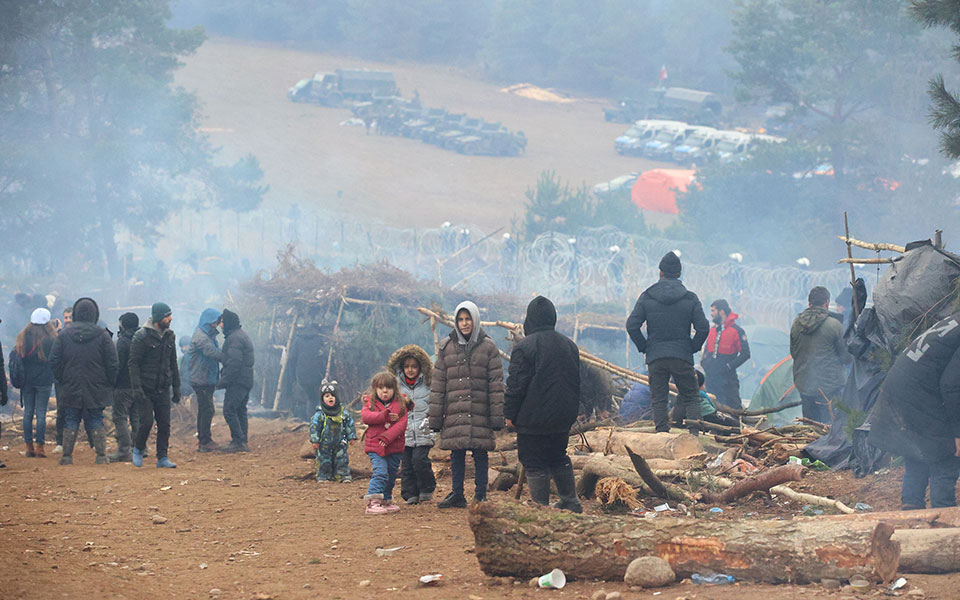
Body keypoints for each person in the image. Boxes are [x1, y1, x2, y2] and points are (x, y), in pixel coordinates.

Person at [869, 313, 960, 509]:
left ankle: (911, 511)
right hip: (919, 393)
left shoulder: (955, 322)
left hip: (904, 387)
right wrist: (957, 433)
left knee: (917, 453)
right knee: (946, 456)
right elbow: (953, 386)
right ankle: (943, 520)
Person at [504, 295, 582, 512]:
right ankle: (570, 501)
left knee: (535, 462)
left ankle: (541, 510)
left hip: (533, 420)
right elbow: (576, 382)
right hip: (562, 417)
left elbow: (516, 385)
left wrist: (509, 413)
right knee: (558, 456)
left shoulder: (524, 347)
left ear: (530, 319)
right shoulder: (569, 345)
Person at [428, 301, 505, 508]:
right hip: (455, 411)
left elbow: (496, 384)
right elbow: (438, 385)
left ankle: (480, 495)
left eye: (468, 319)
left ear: (475, 319)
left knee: (480, 453)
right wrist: (435, 418)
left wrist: (497, 416)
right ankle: (457, 494)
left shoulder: (489, 347)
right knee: (457, 453)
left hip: (480, 410)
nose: (464, 323)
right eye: (460, 319)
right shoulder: (446, 347)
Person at [626, 251, 709, 435]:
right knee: (691, 396)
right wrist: (692, 347)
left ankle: (662, 435)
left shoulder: (647, 296)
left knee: (659, 399)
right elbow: (703, 328)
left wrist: (645, 347)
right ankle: (694, 436)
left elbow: (632, 325)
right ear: (679, 273)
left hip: (656, 356)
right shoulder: (690, 298)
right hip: (682, 355)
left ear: (660, 272)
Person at [48, 298, 118, 465]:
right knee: (96, 418)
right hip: (96, 385)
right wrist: (108, 382)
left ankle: (66, 456)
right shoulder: (102, 335)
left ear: (76, 314)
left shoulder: (64, 335)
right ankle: (101, 456)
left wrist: (63, 378)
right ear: (95, 313)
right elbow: (113, 363)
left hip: (71, 384)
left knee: (71, 418)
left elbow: (54, 360)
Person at [129, 302, 181, 468]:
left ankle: (162, 457)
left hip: (163, 387)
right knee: (147, 422)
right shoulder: (141, 337)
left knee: (164, 423)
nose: (170, 318)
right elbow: (133, 364)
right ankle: (138, 448)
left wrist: (177, 387)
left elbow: (173, 363)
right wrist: (136, 387)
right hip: (145, 388)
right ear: (159, 318)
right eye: (167, 315)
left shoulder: (170, 336)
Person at [790, 286, 849, 423]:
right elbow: (845, 358)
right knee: (829, 430)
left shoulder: (796, 324)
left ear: (809, 303)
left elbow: (794, 353)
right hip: (830, 389)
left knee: (810, 429)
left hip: (805, 386)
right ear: (827, 303)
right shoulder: (835, 325)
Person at [387, 344, 436, 504]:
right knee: (406, 465)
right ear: (401, 367)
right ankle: (410, 493)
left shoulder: (428, 384)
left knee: (420, 460)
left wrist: (433, 420)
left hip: (424, 430)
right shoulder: (395, 386)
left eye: (414, 366)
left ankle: (426, 488)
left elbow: (435, 404)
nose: (410, 370)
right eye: (407, 366)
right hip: (403, 432)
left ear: (420, 367)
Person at [361, 371, 408, 514]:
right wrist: (384, 416)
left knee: (391, 473)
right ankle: (373, 502)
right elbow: (366, 417)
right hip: (375, 446)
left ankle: (386, 500)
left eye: (388, 388)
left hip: (394, 446)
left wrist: (387, 437)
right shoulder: (370, 404)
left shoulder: (401, 404)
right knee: (381, 472)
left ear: (395, 389)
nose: (385, 391)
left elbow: (402, 424)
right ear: (375, 389)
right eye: (381, 388)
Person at [14, 308, 57, 457]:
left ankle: (28, 447)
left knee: (28, 413)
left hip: (27, 381)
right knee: (41, 414)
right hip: (44, 381)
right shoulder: (51, 339)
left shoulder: (22, 338)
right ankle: (40, 447)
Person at [700, 299, 750, 410]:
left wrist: (729, 366)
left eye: (713, 311)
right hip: (711, 378)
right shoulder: (713, 330)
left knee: (733, 406)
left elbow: (745, 354)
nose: (711, 314)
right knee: (712, 406)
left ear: (721, 312)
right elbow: (707, 350)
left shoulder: (737, 331)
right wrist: (705, 363)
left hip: (728, 379)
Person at [218, 309, 254, 453]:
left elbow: (234, 364)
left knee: (229, 410)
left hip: (237, 381)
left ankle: (238, 441)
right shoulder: (240, 335)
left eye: (222, 322)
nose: (220, 325)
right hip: (246, 379)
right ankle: (242, 440)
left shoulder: (234, 338)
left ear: (227, 323)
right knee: (240, 410)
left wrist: (222, 382)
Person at [189, 308, 223, 452]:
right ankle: (204, 441)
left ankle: (205, 439)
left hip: (206, 378)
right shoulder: (201, 337)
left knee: (206, 409)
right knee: (207, 409)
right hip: (201, 379)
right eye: (216, 321)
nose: (218, 324)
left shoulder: (207, 335)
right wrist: (230, 356)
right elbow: (212, 353)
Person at [309, 379, 356, 483]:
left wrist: (351, 436)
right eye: (327, 396)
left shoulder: (343, 412)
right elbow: (314, 427)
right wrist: (315, 440)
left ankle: (342, 475)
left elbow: (349, 424)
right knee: (324, 460)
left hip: (340, 441)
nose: (330, 398)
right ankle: (324, 476)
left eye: (332, 396)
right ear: (322, 399)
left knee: (342, 459)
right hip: (324, 443)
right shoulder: (320, 414)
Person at [108, 312, 141, 463]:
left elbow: (118, 366)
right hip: (138, 385)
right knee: (135, 417)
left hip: (123, 385)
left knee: (120, 417)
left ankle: (124, 451)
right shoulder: (142, 338)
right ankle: (140, 448)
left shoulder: (122, 343)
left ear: (123, 325)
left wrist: (111, 383)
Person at [286, 323, 326, 422]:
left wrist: (293, 377)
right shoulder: (319, 340)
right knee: (316, 398)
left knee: (309, 397)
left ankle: (310, 420)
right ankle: (317, 420)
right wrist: (323, 373)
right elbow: (323, 357)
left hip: (302, 375)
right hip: (317, 375)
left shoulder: (298, 340)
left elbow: (292, 359)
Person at [53, 306, 73, 454]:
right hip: (62, 380)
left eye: (70, 317)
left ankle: (93, 443)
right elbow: (54, 359)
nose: (67, 320)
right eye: (65, 317)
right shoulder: (59, 336)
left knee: (85, 410)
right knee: (61, 411)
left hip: (78, 379)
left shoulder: (80, 335)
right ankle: (60, 442)